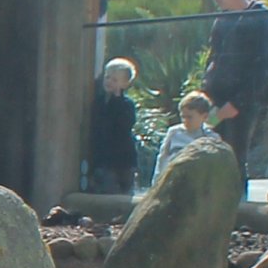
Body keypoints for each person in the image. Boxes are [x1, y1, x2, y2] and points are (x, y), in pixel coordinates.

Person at [198, 0, 268, 174]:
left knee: (234, 161)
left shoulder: (260, 19)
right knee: (210, 160)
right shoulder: (222, 19)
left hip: (239, 106)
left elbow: (263, 70)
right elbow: (214, 58)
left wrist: (237, 104)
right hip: (215, 102)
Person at [85, 57, 141, 192]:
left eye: (114, 80)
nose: (109, 81)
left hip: (124, 158)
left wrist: (117, 99)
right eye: (107, 77)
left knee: (125, 190)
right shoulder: (99, 102)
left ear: (125, 84)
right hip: (105, 158)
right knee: (107, 188)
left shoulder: (126, 104)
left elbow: (125, 125)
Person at [153, 89, 215, 183]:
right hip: (173, 180)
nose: (185, 121)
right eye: (183, 117)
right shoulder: (174, 132)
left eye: (189, 117)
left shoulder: (210, 138)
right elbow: (162, 157)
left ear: (204, 117)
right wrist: (157, 181)